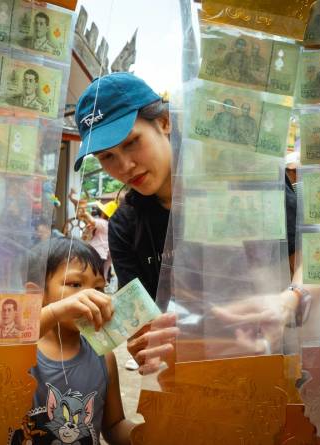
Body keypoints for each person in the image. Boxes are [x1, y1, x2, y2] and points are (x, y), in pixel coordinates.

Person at [73, 73, 303, 373]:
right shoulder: (124, 226)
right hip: (190, 381)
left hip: (279, 363)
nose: (125, 166)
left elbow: (310, 259)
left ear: (165, 122)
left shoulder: (242, 178)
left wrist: (289, 301)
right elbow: (148, 322)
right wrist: (144, 341)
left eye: (131, 143)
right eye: (107, 156)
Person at [10, 238, 134, 444]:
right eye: (75, 284)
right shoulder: (21, 351)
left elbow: (114, 426)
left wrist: (150, 432)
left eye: (99, 288)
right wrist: (57, 311)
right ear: (36, 293)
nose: (90, 296)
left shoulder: (103, 357)